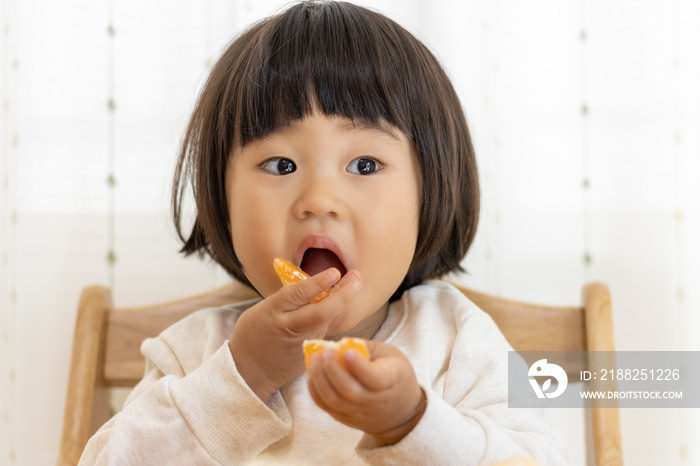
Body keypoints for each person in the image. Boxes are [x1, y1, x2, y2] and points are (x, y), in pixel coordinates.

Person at [80, 2, 567, 464]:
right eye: (281, 164)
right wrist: (246, 374)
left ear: (430, 189)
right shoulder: (193, 355)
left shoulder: (459, 341)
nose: (318, 199)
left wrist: (412, 422)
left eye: (364, 164)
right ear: (221, 197)